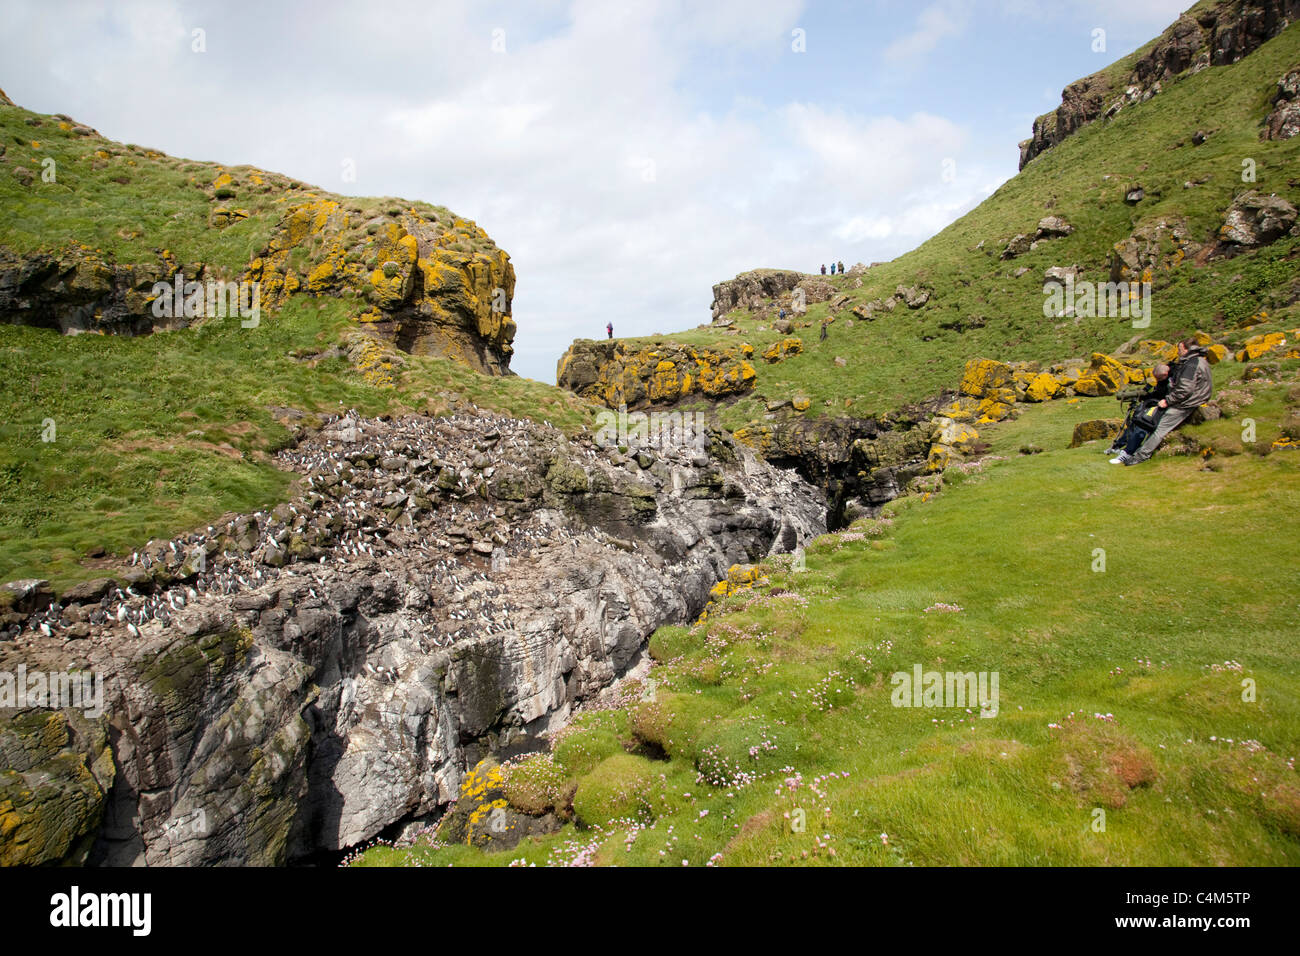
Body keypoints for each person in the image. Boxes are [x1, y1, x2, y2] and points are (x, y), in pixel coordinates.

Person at [1118, 340, 1213, 465]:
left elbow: (1185, 389)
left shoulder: (1191, 364)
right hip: (1196, 397)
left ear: (1185, 349)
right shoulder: (1199, 360)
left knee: (1160, 427)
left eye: (1179, 349)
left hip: (1188, 402)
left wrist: (1168, 401)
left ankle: (1141, 455)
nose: (1178, 352)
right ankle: (1132, 449)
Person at [1107, 364, 1169, 461]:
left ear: (1165, 375)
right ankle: (1120, 446)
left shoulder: (1169, 383)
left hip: (1158, 409)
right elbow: (1156, 394)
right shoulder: (1162, 382)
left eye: (1158, 378)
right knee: (1134, 422)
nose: (1157, 380)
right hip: (1152, 405)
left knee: (1141, 424)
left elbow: (1162, 396)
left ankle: (1127, 451)